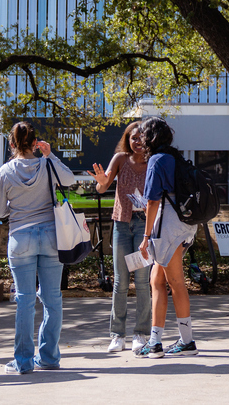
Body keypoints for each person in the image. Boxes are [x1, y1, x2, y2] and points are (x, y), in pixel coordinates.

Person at [0, 121, 75, 374]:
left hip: (21, 237)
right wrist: (49, 155)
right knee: (53, 300)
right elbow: (70, 180)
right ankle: (49, 357)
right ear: (35, 143)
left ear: (12, 143)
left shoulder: (5, 172)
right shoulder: (47, 164)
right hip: (51, 236)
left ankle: (23, 361)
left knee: (25, 301)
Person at [135, 116, 200, 358]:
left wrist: (145, 236)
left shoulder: (156, 160)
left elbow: (152, 201)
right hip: (184, 224)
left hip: (169, 228)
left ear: (149, 138)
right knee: (157, 281)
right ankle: (156, 341)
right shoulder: (175, 158)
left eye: (142, 135)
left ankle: (185, 341)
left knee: (174, 282)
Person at [90, 121, 152, 354]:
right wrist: (101, 182)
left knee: (143, 282)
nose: (138, 142)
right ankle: (117, 335)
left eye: (142, 138)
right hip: (121, 224)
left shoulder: (153, 161)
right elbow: (102, 187)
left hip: (144, 227)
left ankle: (141, 334)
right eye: (134, 138)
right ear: (127, 139)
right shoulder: (120, 159)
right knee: (120, 282)